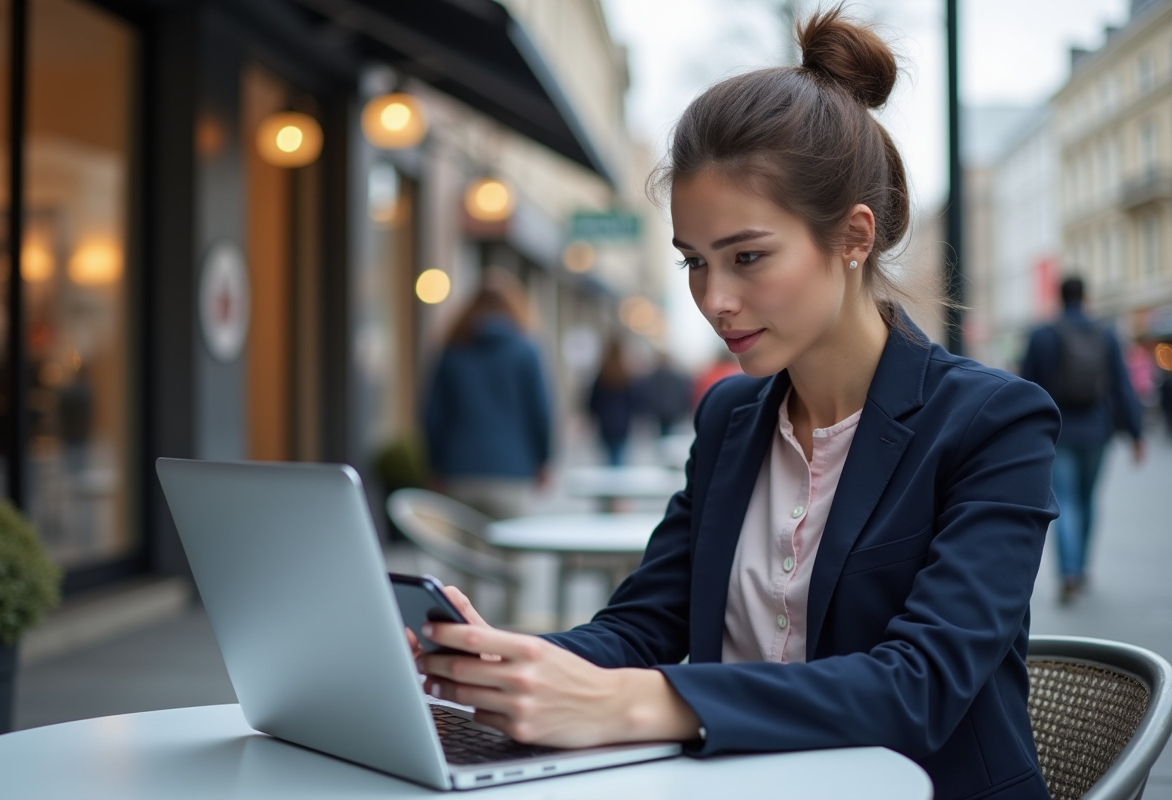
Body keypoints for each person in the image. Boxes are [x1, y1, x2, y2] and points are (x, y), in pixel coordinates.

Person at [414, 10, 1060, 800]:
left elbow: (917, 687)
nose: (714, 300)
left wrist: (641, 701)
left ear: (854, 236)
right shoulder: (731, 418)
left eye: (748, 256)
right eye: (694, 262)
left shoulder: (994, 423)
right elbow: (643, 625)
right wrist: (501, 663)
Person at [1021, 276, 1145, 604]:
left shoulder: (1043, 334)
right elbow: (1122, 384)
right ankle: (1083, 568)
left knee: (1066, 500)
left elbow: (1024, 387)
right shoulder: (1106, 333)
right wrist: (1136, 432)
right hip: (1096, 430)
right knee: (1088, 499)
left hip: (1057, 431)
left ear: (1060, 297)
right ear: (1085, 297)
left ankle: (1069, 574)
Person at [423, 269, 552, 520]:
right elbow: (540, 412)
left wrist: (435, 465)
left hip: (459, 471)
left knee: (462, 557)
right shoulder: (526, 351)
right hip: (511, 472)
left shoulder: (452, 352)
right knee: (509, 556)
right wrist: (543, 460)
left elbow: (432, 416)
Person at [587, 338, 640, 466]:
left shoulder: (602, 374)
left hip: (605, 423)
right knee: (619, 456)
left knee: (608, 458)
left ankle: (611, 481)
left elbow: (593, 401)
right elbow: (633, 401)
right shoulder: (626, 374)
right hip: (622, 423)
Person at [640, 352, 693, 436]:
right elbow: (682, 392)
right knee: (670, 435)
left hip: (659, 412)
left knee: (662, 434)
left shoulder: (652, 377)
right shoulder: (675, 376)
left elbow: (647, 394)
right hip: (673, 411)